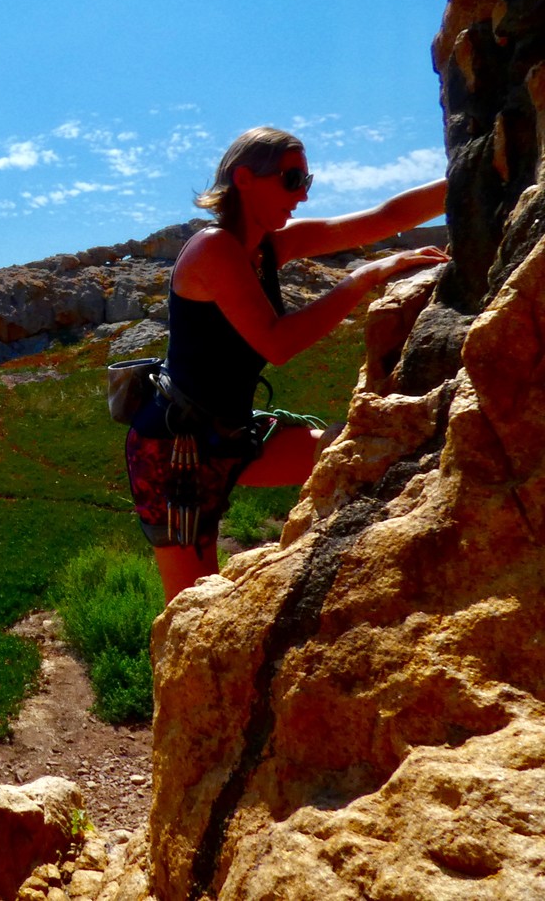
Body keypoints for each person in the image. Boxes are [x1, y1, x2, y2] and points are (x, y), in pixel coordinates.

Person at [126, 126, 448, 602]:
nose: (303, 194)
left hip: (232, 434)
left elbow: (385, 217)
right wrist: (362, 279)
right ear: (244, 179)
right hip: (176, 452)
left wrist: (472, 173)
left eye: (306, 181)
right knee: (190, 608)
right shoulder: (214, 248)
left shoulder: (270, 245)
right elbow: (277, 342)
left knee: (354, 451)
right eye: (292, 179)